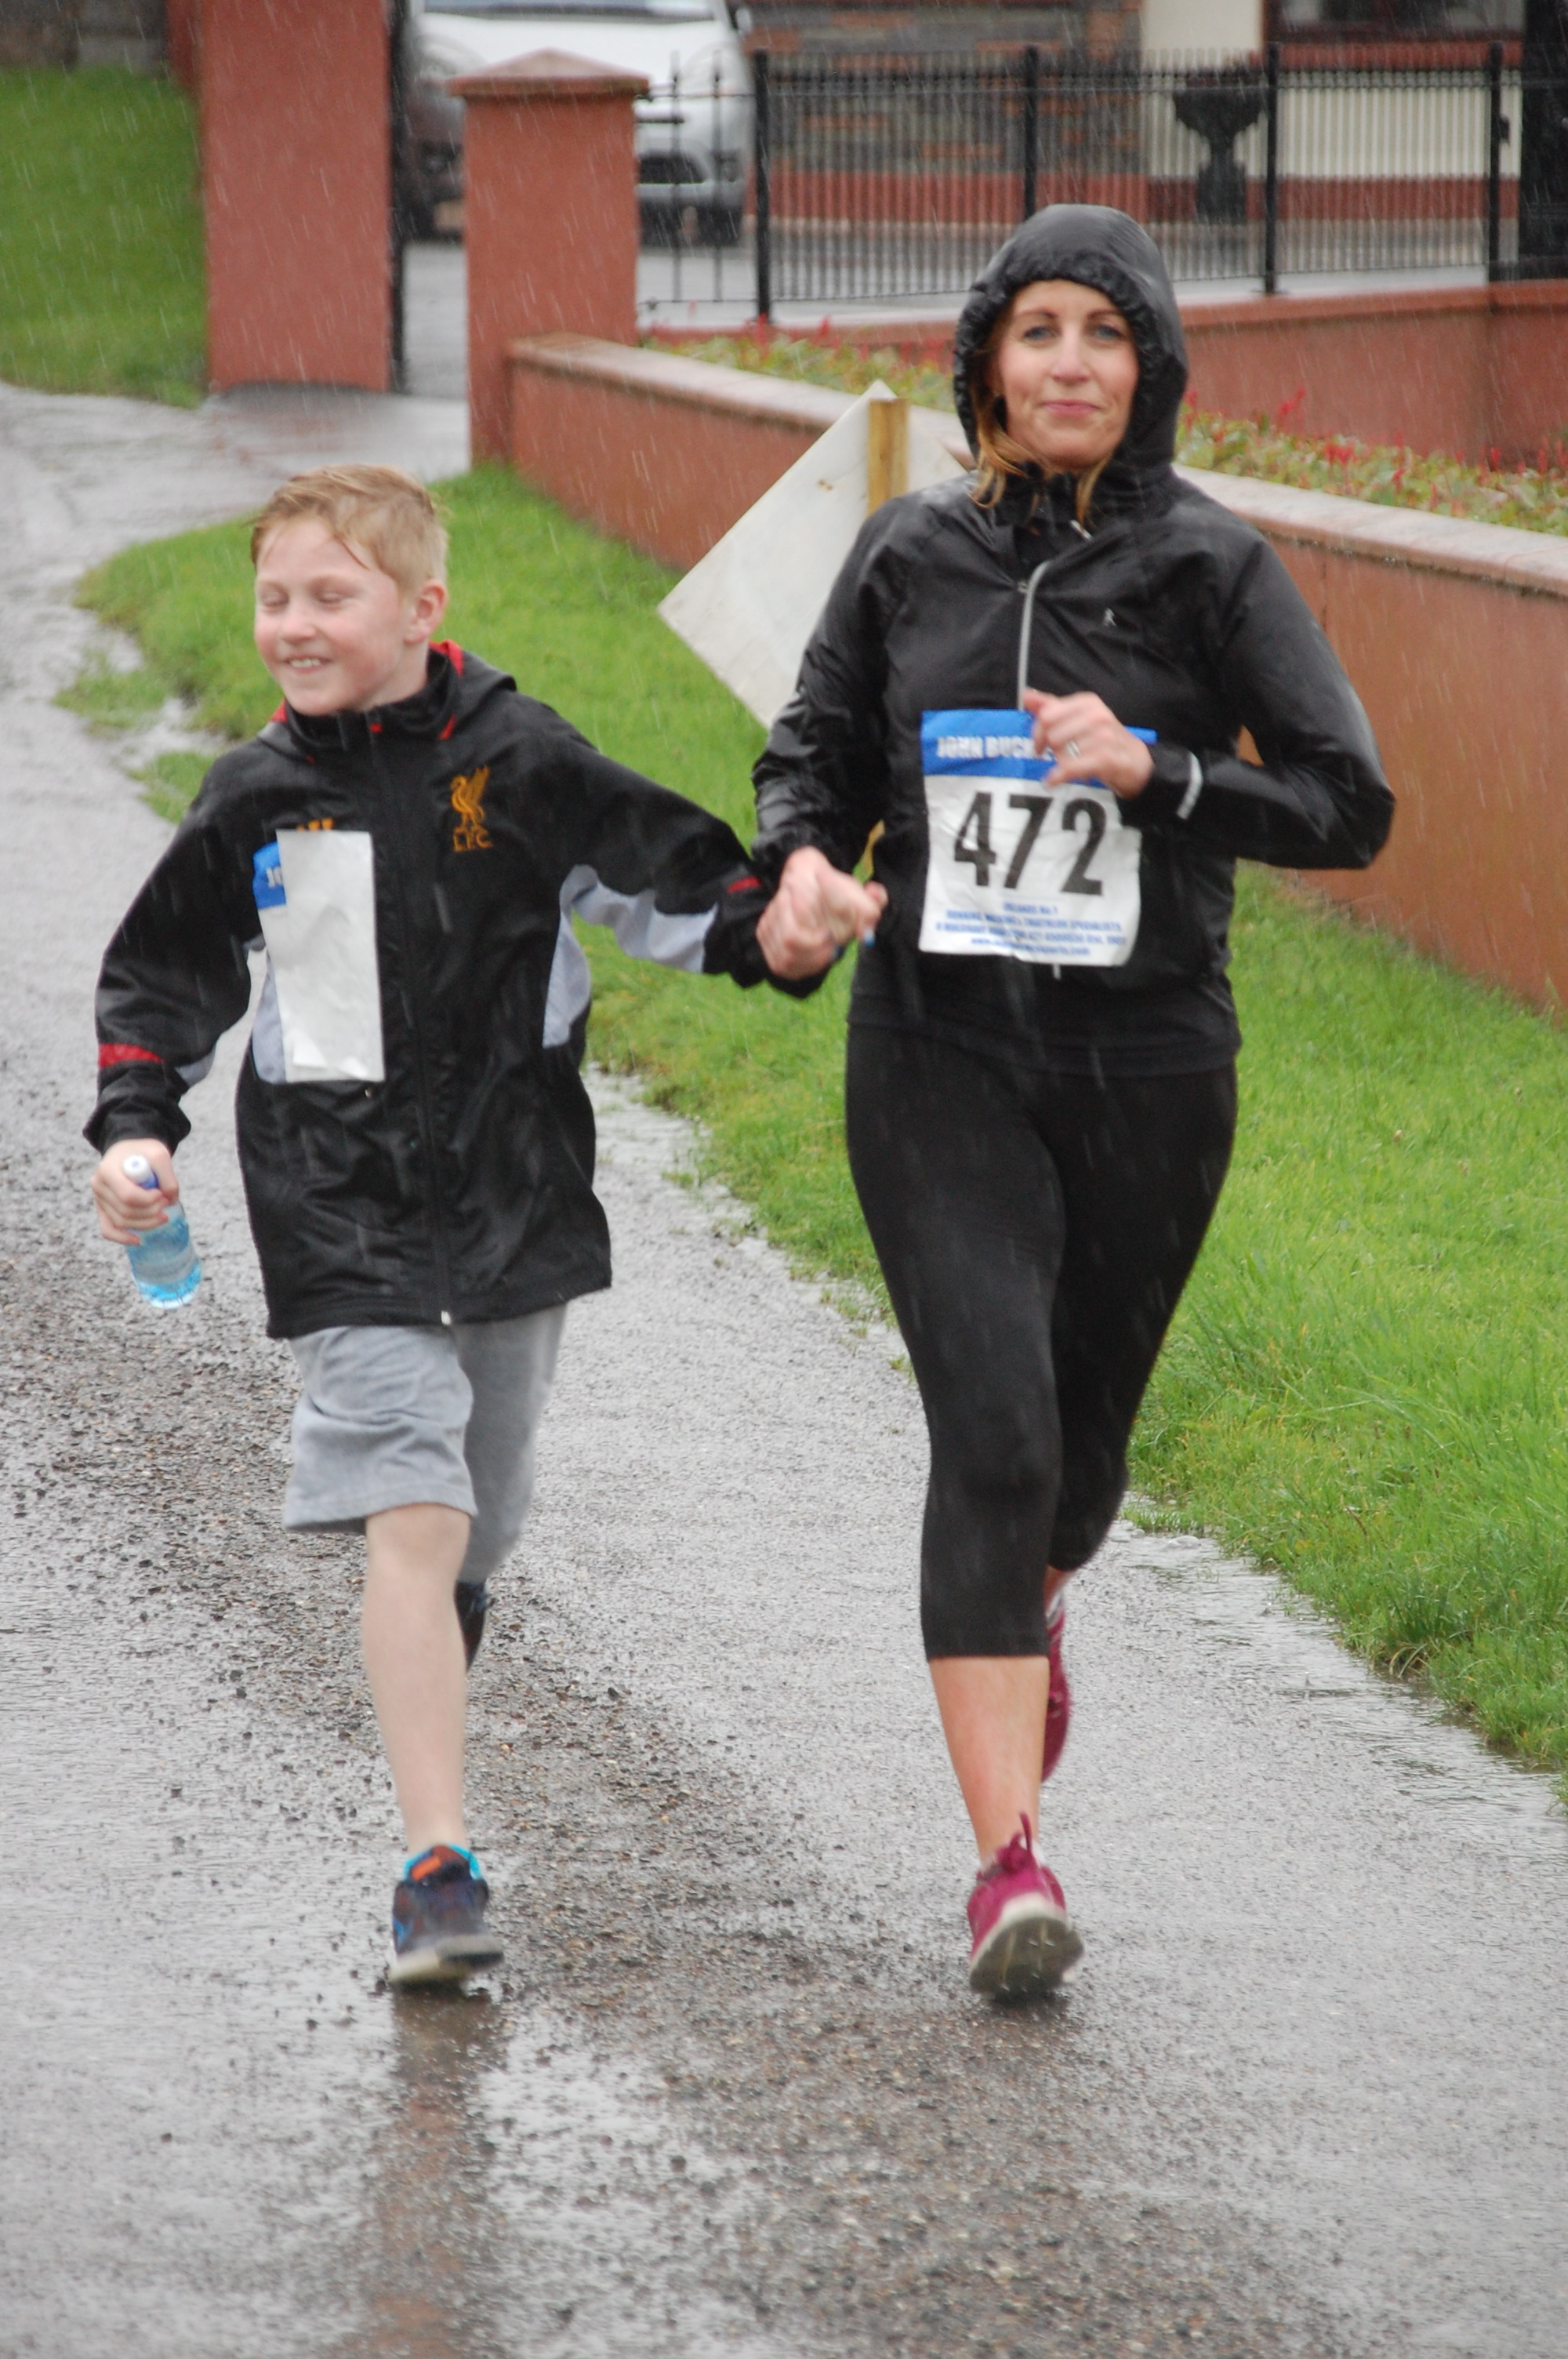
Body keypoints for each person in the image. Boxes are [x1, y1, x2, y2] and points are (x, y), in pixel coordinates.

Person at [751, 207, 1393, 1999]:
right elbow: (812, 755)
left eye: (1103, 335)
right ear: (985, 360)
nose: (1067, 364)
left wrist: (1161, 770)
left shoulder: (1212, 567)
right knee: (996, 1436)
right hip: (938, 1048)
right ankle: (1008, 1864)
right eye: (1036, 330)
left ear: (1151, 367)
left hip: (1150, 1067)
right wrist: (796, 871)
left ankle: (1033, 1594)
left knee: (1075, 1475)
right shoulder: (908, 553)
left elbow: (1349, 802)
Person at [87, 465, 775, 1986]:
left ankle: (439, 1622)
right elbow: (165, 975)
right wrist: (137, 1123)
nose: (293, 624)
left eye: (330, 596)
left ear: (422, 608)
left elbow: (672, 879)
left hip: (515, 1184)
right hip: (336, 1202)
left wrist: (774, 924)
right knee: (412, 1498)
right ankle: (436, 1868)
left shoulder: (520, 758)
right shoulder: (256, 797)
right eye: (274, 597)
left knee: (480, 1515)